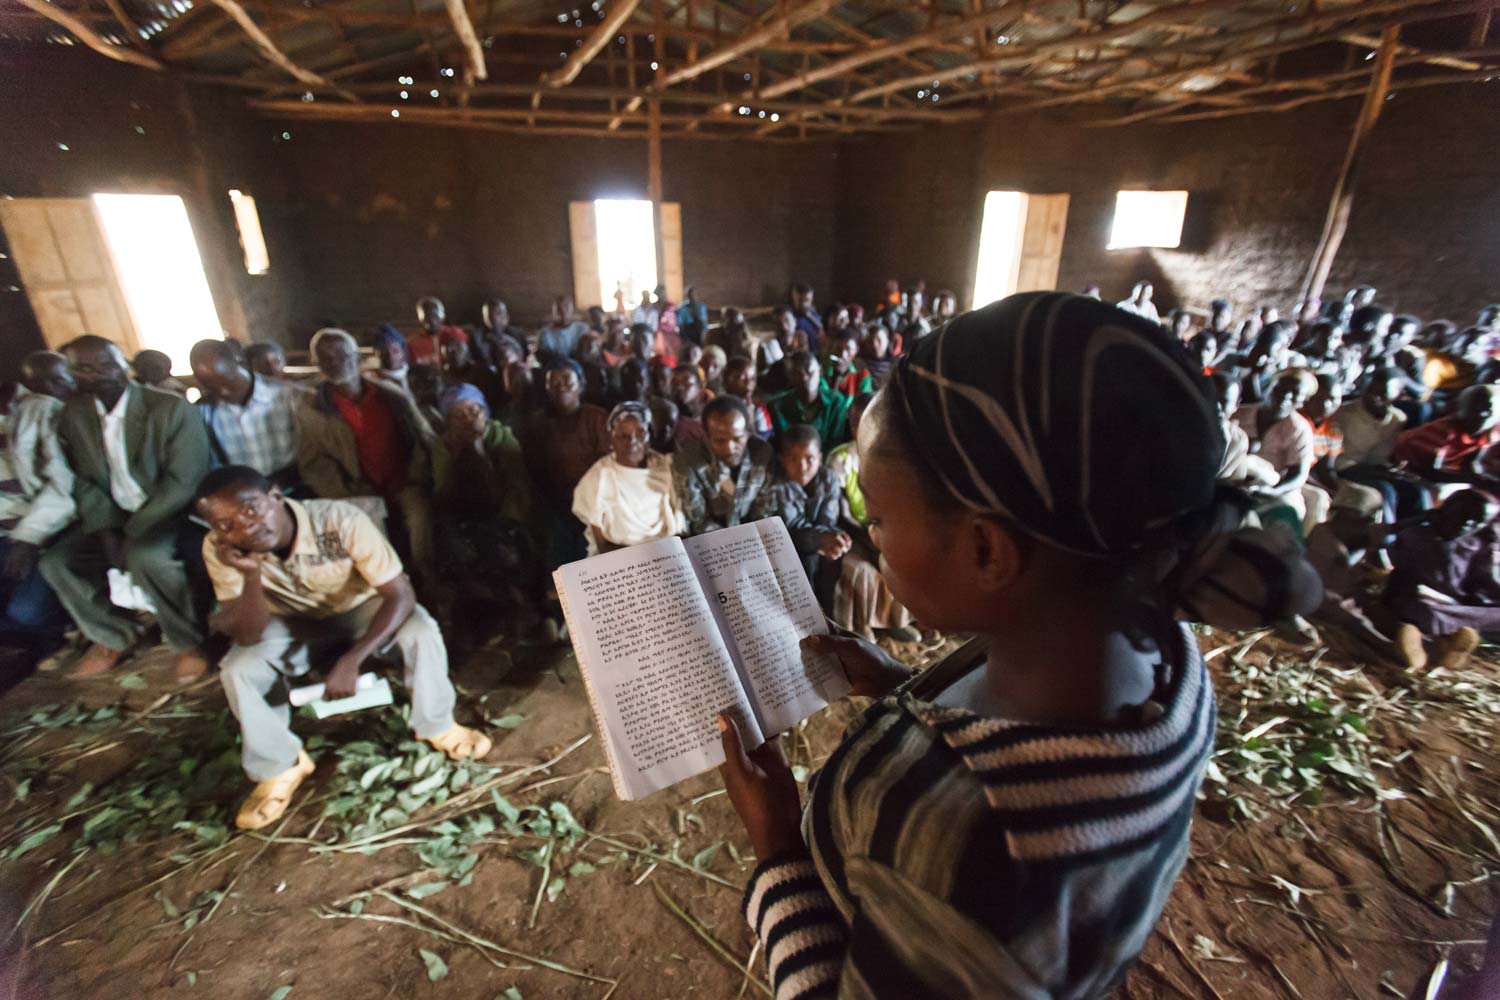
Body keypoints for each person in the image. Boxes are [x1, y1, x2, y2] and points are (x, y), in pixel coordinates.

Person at [716, 292, 1318, 1000]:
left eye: (879, 518)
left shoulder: (960, 851)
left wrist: (780, 852)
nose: (871, 537)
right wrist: (904, 686)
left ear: (985, 550)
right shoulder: (1158, 649)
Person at [196, 466, 491, 831]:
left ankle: (438, 725)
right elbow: (248, 634)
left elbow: (400, 594)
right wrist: (250, 574)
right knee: (239, 667)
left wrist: (354, 658)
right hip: (294, 626)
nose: (244, 528)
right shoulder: (220, 549)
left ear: (275, 495)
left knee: (420, 630)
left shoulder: (339, 520)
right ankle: (279, 765)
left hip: (364, 611)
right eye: (225, 525)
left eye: (251, 509)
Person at [44, 336, 212, 681]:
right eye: (85, 368)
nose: (99, 374)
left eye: (107, 364)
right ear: (73, 374)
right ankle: (113, 636)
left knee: (147, 556)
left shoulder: (168, 408)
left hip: (169, 512)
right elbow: (84, 479)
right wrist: (107, 532)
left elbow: (183, 482)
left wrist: (133, 532)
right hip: (112, 516)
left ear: (124, 363)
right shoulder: (75, 414)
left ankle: (187, 643)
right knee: (57, 563)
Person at [295, 328, 437, 589]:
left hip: (403, 480)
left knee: (420, 520)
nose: (336, 362)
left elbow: (421, 436)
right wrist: (344, 494)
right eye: (326, 358)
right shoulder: (313, 411)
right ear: (318, 364)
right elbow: (313, 462)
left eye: (342, 354)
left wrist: (416, 474)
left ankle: (427, 580)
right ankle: (390, 589)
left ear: (357, 357)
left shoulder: (389, 395)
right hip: (355, 487)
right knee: (372, 538)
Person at [430, 384, 546, 645]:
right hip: (462, 517)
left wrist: (480, 452)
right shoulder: (443, 446)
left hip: (504, 513)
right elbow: (444, 496)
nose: (470, 418)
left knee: (506, 544)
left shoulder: (502, 437)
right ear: (449, 420)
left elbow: (515, 489)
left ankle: (526, 608)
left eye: (475, 410)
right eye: (460, 414)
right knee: (454, 545)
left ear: (485, 412)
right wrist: (459, 456)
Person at [824, 393, 919, 642]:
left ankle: (894, 620)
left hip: (883, 530)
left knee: (902, 554)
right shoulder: (841, 459)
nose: (863, 426)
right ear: (851, 422)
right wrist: (869, 534)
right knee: (859, 570)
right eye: (857, 420)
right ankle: (859, 627)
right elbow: (840, 511)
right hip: (854, 533)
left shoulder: (892, 457)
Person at [0, 352, 77, 660]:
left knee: (27, 613)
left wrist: (28, 537)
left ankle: (58, 630)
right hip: (7, 533)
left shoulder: (41, 410)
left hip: (36, 532)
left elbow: (62, 486)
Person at [1379, 489, 1500, 672]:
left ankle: (1448, 642)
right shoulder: (1416, 535)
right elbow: (1398, 572)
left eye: (1478, 520)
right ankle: (1427, 645)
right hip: (1416, 600)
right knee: (1422, 613)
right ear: (1447, 510)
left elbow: (1482, 582)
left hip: (1453, 606)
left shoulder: (1477, 544)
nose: (1469, 523)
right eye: (1464, 514)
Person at [520, 361, 610, 568]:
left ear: (580, 385)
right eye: (554, 383)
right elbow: (535, 468)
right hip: (557, 505)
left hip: (595, 503)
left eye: (567, 381)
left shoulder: (596, 418)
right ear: (547, 389)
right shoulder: (539, 424)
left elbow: (607, 464)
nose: (561, 387)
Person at [752, 423, 848, 608]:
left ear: (820, 459)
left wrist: (833, 540)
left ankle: (830, 615)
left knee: (835, 555)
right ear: (782, 460)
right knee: (808, 558)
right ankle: (808, 616)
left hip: (815, 538)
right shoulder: (777, 485)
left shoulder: (828, 478)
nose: (802, 467)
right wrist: (820, 540)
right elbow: (791, 528)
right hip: (784, 542)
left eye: (810, 459)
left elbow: (828, 520)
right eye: (793, 459)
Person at [572, 402, 684, 555]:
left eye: (640, 433)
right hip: (617, 560)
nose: (632, 441)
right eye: (623, 436)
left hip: (667, 554)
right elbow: (602, 544)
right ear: (611, 440)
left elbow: (679, 529)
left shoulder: (667, 467)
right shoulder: (599, 477)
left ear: (649, 437)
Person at [190, 339, 305, 487]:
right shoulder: (205, 411)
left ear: (238, 362)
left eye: (226, 381)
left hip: (295, 484)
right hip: (245, 491)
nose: (222, 391)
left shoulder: (285, 394)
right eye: (210, 386)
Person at [673, 395, 773, 536]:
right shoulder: (688, 461)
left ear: (747, 433)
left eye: (737, 439)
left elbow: (765, 512)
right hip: (712, 540)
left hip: (755, 535)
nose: (730, 448)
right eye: (720, 441)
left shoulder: (762, 454)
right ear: (706, 437)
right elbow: (698, 520)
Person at [1234, 368, 1316, 520]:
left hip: (1271, 484)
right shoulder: (1241, 413)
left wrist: (1271, 491)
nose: (1285, 395)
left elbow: (1298, 475)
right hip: (1234, 474)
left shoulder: (1299, 429)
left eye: (1295, 392)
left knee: (1287, 510)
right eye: (1280, 388)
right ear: (1270, 386)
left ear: (1302, 401)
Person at [766, 351, 852, 449]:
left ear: (819, 371)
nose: (805, 378)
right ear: (790, 377)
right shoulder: (776, 407)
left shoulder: (836, 403)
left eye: (810, 372)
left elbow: (836, 443)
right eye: (797, 373)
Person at [616, 358, 678, 453]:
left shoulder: (665, 409)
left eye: (640, 379)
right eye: (629, 379)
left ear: (648, 380)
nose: (636, 384)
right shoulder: (614, 411)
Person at [721, 357, 772, 440]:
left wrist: (750, 420)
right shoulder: (716, 407)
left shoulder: (758, 410)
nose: (748, 382)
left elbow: (762, 444)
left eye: (752, 378)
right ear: (726, 380)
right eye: (740, 377)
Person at [537, 296, 591, 367]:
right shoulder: (545, 333)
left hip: (581, 367)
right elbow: (544, 356)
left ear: (572, 310)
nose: (563, 311)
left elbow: (587, 353)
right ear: (553, 312)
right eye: (559, 309)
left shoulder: (582, 329)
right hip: (556, 369)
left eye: (566, 307)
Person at [758, 306, 797, 394]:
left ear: (795, 322)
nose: (784, 327)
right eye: (779, 323)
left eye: (787, 321)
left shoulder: (803, 341)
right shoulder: (766, 345)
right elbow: (760, 372)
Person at [821, 333, 872, 398]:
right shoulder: (823, 369)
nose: (843, 354)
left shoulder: (862, 375)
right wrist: (835, 377)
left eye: (848, 349)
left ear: (856, 350)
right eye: (839, 348)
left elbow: (864, 403)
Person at [669, 364, 707, 447]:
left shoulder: (710, 417)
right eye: (675, 383)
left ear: (699, 387)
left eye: (687, 383)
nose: (680, 387)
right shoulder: (667, 415)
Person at [372, 324, 411, 394]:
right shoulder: (373, 382)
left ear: (403, 353)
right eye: (385, 352)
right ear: (378, 354)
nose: (390, 356)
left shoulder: (416, 377)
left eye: (395, 351)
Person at [408, 296, 447, 366]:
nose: (431, 320)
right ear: (420, 318)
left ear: (443, 315)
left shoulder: (455, 334)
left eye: (435, 315)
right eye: (427, 316)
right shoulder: (413, 343)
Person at [790, 283, 823, 356]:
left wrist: (809, 316)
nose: (803, 304)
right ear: (794, 298)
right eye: (800, 300)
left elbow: (821, 328)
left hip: (816, 354)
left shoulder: (814, 314)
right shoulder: (790, 317)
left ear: (812, 299)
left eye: (807, 300)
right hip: (799, 356)